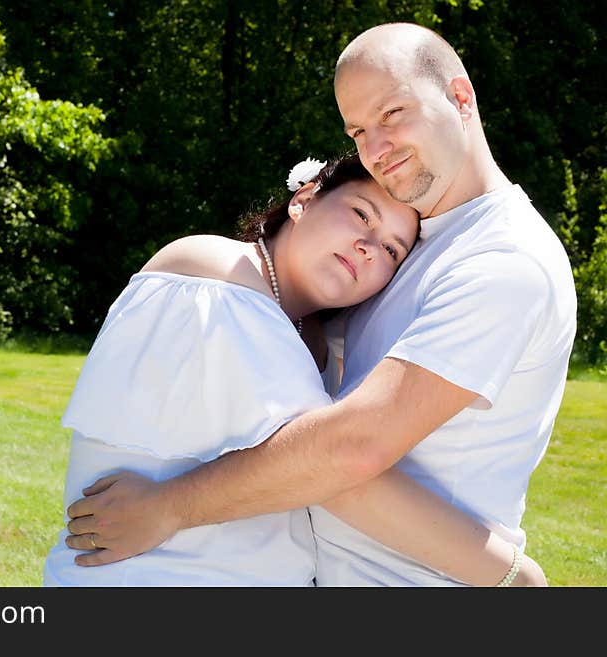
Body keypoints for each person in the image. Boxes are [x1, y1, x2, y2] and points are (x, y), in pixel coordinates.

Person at [62, 22, 576, 586]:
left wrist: (511, 577)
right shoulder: (394, 256)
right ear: (305, 199)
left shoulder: (502, 259)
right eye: (357, 130)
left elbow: (348, 448)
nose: (375, 148)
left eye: (392, 113)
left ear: (459, 98)